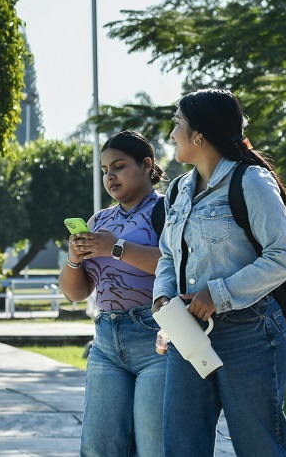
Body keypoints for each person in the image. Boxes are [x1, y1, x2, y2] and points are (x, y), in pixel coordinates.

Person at [152, 89, 286, 457]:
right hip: (187, 333)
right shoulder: (177, 190)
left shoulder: (251, 180)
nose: (172, 134)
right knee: (182, 447)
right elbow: (168, 254)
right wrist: (163, 297)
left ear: (199, 135)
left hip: (251, 334)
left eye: (178, 124)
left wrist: (216, 294)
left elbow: (284, 256)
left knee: (260, 447)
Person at [60, 130, 167, 457]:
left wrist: (115, 247)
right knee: (98, 447)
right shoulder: (99, 220)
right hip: (106, 340)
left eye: (118, 166)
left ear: (146, 164)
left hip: (156, 339)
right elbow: (75, 294)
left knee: (153, 447)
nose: (110, 176)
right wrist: (74, 259)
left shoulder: (166, 211)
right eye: (105, 170)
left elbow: (175, 265)